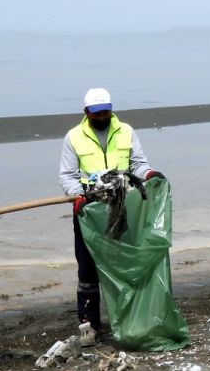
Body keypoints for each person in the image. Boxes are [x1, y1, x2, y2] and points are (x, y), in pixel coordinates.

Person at [60, 88, 162, 346]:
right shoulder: (74, 137)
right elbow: (68, 176)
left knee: (124, 265)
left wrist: (148, 174)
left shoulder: (126, 131)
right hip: (88, 209)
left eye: (106, 110)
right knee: (88, 270)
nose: (103, 115)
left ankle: (128, 321)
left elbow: (138, 163)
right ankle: (89, 327)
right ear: (87, 113)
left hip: (122, 207)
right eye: (97, 112)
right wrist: (77, 196)